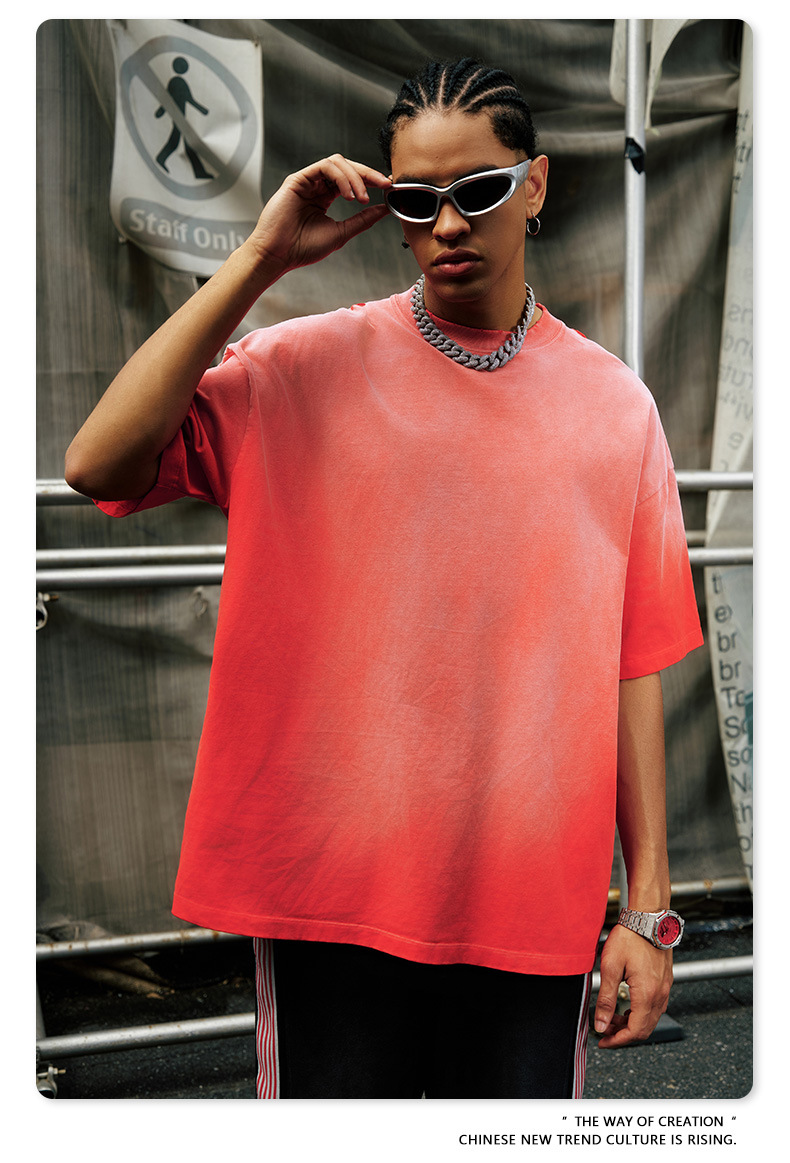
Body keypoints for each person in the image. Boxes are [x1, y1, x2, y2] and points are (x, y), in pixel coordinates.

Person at [65, 58, 703, 1099]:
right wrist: (260, 259)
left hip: (530, 894)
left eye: (479, 190)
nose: (447, 223)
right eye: (415, 199)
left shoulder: (616, 407)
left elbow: (631, 663)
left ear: (535, 185)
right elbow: (98, 463)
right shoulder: (296, 368)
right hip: (331, 885)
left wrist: (647, 908)